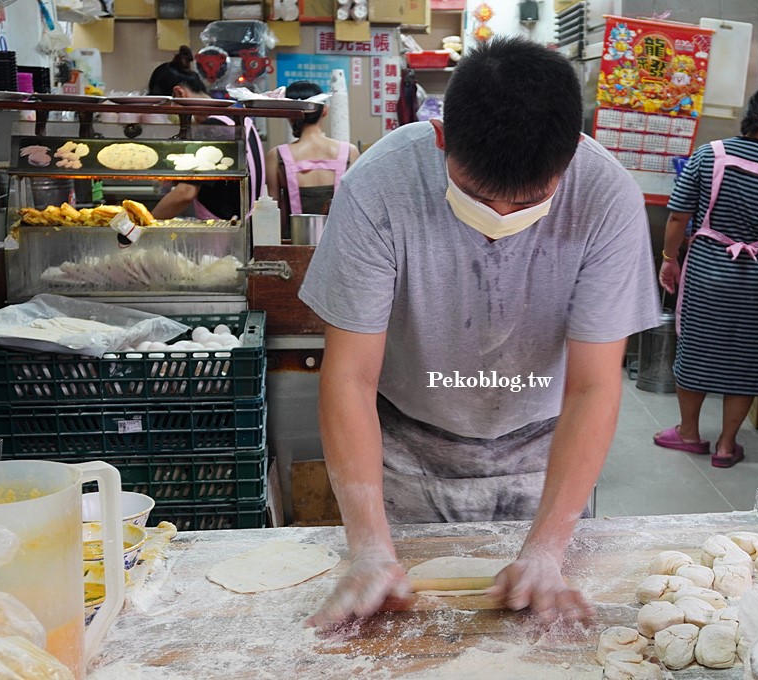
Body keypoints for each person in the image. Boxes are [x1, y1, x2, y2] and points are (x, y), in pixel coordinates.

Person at [298, 37, 661, 627]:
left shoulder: (606, 197)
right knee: (408, 635)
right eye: (475, 196)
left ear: (571, 153)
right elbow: (349, 375)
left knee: (541, 638)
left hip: (546, 450)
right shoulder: (379, 186)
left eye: (530, 201)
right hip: (405, 448)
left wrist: (546, 550)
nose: (499, 218)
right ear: (440, 136)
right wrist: (368, 547)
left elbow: (594, 386)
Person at [654, 88, 758, 469]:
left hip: (709, 270)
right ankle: (727, 445)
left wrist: (668, 259)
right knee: (748, 357)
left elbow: (677, 216)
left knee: (697, 348)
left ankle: (690, 433)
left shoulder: (708, 155)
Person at [147, 46, 265, 221]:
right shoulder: (237, 118)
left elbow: (185, 193)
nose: (170, 117)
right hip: (246, 227)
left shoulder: (213, 128)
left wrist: (143, 224)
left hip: (224, 233)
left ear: (179, 93)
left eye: (167, 110)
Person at [264, 81, 360, 239]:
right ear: (324, 111)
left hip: (293, 248)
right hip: (340, 248)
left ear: (290, 114)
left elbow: (273, 216)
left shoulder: (276, 155)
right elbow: (356, 211)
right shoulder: (350, 152)